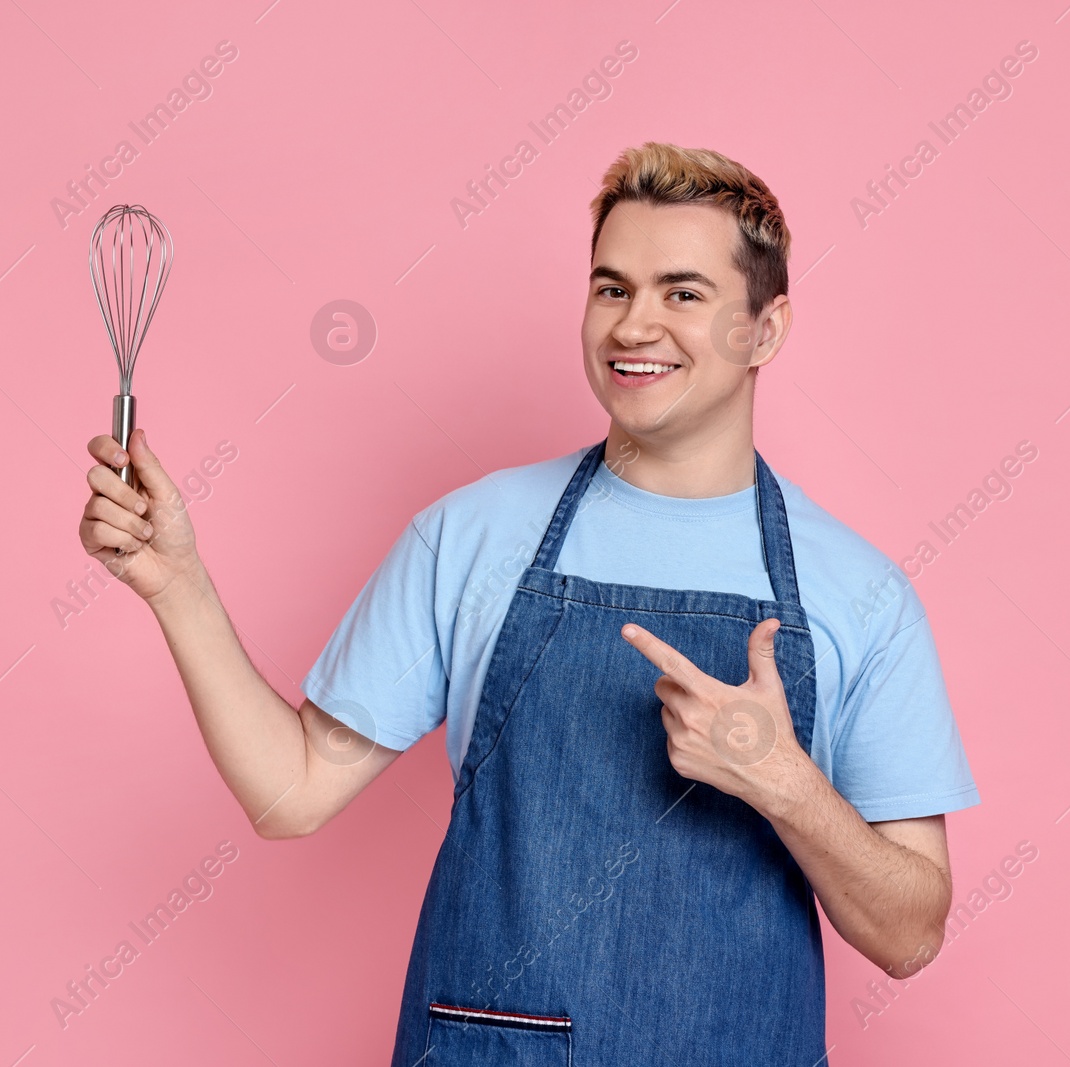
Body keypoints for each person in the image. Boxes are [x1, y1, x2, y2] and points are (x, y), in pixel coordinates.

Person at [77, 141, 979, 1064]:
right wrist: (176, 584)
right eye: (612, 288)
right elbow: (293, 792)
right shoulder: (469, 536)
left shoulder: (859, 593)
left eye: (685, 293)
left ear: (767, 327)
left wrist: (783, 783)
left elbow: (909, 934)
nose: (635, 326)